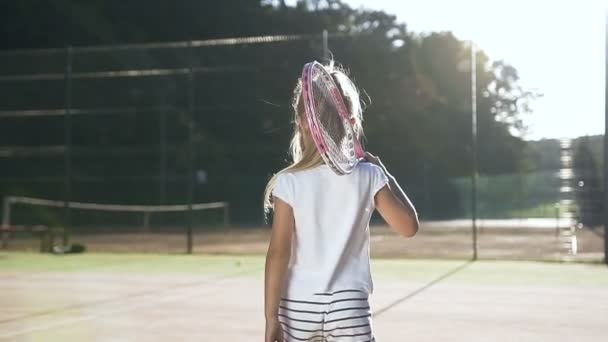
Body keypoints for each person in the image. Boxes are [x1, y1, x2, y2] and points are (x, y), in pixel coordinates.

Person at [264, 62, 419, 342]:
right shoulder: (369, 176)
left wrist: (270, 319)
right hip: (349, 307)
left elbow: (278, 253)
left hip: (298, 306)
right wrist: (386, 174)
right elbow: (409, 227)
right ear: (352, 123)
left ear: (302, 123)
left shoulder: (288, 182)